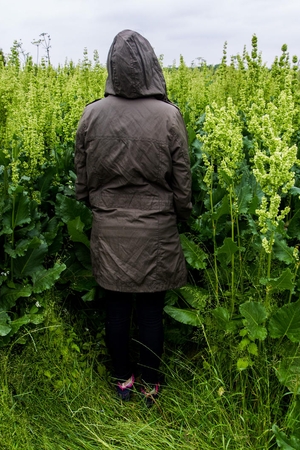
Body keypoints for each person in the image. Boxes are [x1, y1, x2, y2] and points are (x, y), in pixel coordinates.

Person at [74, 29, 192, 405]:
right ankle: (151, 385)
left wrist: (93, 204)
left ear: (112, 66)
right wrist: (181, 213)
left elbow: (82, 173)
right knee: (152, 312)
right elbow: (182, 178)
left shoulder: (91, 114)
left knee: (117, 308)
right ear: (150, 66)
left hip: (109, 226)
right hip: (156, 227)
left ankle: (123, 379)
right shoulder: (169, 116)